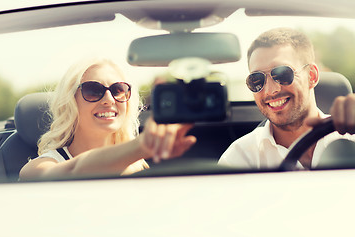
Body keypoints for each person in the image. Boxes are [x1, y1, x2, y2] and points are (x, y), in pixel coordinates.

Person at [19, 57, 196, 180]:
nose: (109, 100)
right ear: (69, 102)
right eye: (93, 90)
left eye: (118, 90)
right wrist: (142, 146)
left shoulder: (138, 166)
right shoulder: (38, 169)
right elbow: (76, 170)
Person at [218, 27, 355, 170]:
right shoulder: (239, 159)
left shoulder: (351, 136)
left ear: (311, 76)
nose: (270, 90)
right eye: (257, 80)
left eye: (282, 73)